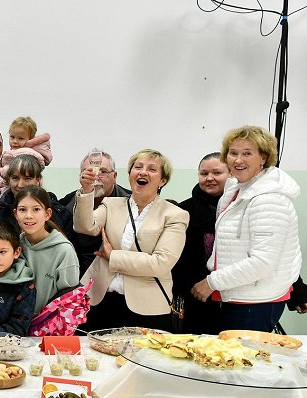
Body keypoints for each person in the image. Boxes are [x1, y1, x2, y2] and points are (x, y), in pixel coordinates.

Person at [191, 126, 301, 332]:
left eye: (247, 153)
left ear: (264, 158)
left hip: (256, 300)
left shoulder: (268, 199)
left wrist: (211, 282)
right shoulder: (238, 189)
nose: (238, 160)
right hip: (239, 293)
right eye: (233, 153)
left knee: (244, 361)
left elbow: (263, 262)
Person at [73, 149, 188, 332]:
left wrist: (113, 256)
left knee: (142, 358)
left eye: (151, 169)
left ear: (163, 180)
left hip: (148, 306)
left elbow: (161, 263)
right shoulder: (111, 204)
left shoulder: (175, 215)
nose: (142, 172)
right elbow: (84, 227)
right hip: (101, 299)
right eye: (138, 167)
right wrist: (87, 192)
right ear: (130, 175)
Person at [173, 152, 229, 335]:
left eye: (217, 173)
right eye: (204, 174)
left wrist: (298, 294)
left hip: (234, 296)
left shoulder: (242, 208)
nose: (209, 178)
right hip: (195, 298)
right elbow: (176, 258)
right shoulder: (183, 210)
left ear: (231, 174)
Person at [59, 150, 131, 278]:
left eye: (103, 171)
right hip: (78, 273)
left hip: (119, 274)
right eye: (89, 172)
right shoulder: (66, 204)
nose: (95, 177)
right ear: (81, 177)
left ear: (115, 176)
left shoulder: (130, 202)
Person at [14, 186, 79, 315]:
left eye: (36, 209)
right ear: (15, 214)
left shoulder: (64, 251)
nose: (28, 216)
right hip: (16, 326)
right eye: (22, 210)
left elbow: (70, 302)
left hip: (49, 327)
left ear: (47, 214)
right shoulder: (14, 246)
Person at [0, 154, 72, 234]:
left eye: (27, 178)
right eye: (15, 178)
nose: (20, 185)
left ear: (38, 180)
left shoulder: (59, 213)